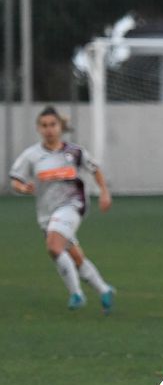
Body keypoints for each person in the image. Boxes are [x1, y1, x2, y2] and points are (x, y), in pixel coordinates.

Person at [9, 106, 116, 313]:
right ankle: (103, 289)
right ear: (38, 129)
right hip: (46, 213)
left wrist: (104, 192)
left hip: (73, 205)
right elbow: (15, 179)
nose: (49, 129)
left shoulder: (74, 152)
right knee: (75, 256)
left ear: (60, 127)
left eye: (53, 125)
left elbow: (95, 169)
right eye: (44, 125)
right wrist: (23, 187)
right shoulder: (32, 155)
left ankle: (76, 294)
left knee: (53, 247)